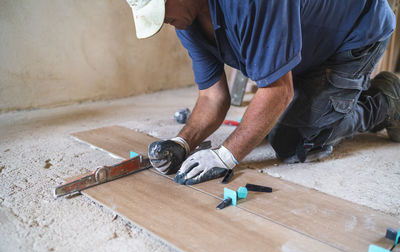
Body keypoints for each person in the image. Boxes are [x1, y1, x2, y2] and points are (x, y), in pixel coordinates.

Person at [126, 0, 399, 185]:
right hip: (304, 48)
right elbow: (213, 95)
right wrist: (182, 142)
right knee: (263, 123)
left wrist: (225, 156)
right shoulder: (187, 20)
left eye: (161, 10)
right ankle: (333, 99)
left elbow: (279, 91)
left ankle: (386, 100)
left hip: (353, 36)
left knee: (292, 143)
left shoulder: (249, 3)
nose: (163, 22)